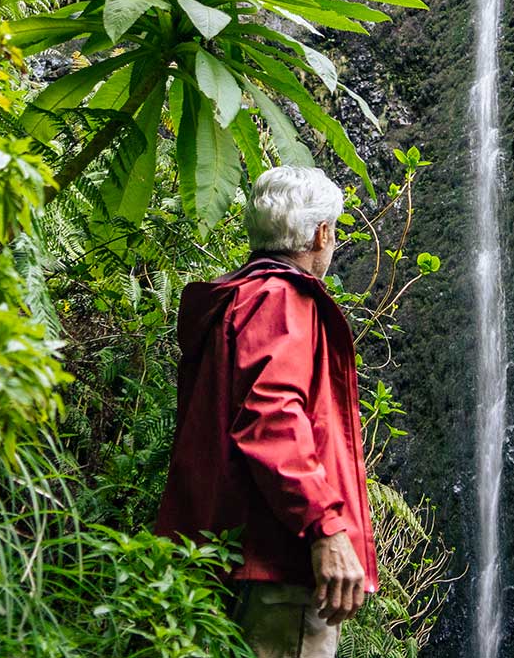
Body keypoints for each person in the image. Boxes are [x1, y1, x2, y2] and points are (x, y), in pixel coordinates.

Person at [155, 165, 378, 658]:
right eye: (334, 232)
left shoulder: (234, 303)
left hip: (222, 558)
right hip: (279, 564)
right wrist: (326, 526)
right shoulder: (281, 300)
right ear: (321, 234)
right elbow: (272, 418)